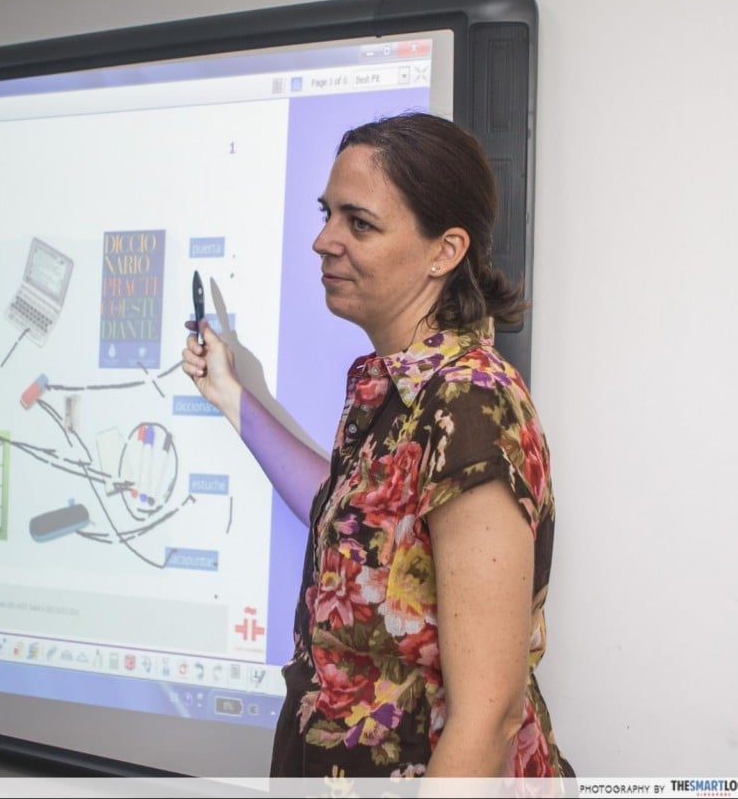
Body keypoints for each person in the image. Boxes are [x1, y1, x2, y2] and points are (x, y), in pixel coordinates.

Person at [182, 112, 572, 780]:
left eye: (358, 223)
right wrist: (230, 396)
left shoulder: (470, 407)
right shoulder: (394, 385)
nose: (323, 240)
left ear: (444, 251)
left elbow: (490, 718)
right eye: (327, 213)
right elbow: (352, 520)